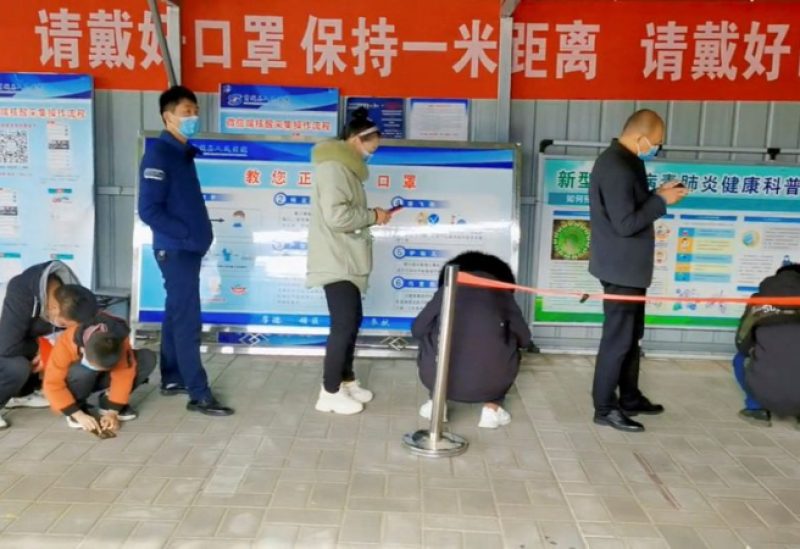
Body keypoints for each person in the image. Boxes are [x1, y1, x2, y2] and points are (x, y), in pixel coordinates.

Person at [588, 109, 688, 432]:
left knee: (632, 338)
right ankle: (604, 407)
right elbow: (626, 223)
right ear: (639, 136)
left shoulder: (631, 160)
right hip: (619, 269)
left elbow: (634, 205)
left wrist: (658, 193)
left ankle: (629, 397)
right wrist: (661, 202)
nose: (656, 148)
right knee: (617, 340)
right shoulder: (615, 166)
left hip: (630, 268)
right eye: (655, 142)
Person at [138, 85, 233, 416]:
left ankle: (173, 377)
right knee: (187, 319)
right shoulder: (159, 154)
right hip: (176, 251)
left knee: (176, 314)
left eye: (195, 111)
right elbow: (149, 210)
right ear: (168, 116)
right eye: (186, 112)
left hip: (186, 249)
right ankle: (199, 393)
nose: (193, 117)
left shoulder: (181, 152)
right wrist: (187, 234)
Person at [307, 107, 392, 415]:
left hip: (346, 259)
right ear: (357, 140)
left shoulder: (347, 169)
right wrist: (372, 216)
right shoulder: (334, 168)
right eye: (373, 144)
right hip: (336, 259)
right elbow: (337, 216)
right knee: (343, 325)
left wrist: (372, 216)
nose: (374, 151)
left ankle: (346, 381)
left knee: (351, 321)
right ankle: (328, 392)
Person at [412, 252, 531, 428]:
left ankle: (437, 404)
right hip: (492, 385)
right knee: (510, 346)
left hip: (437, 379)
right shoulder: (503, 295)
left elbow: (418, 329)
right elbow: (525, 339)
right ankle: (492, 408)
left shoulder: (446, 291)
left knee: (430, 336)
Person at [0, 261, 97, 429]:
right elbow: (6, 346)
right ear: (52, 308)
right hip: (4, 343)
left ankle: (23, 394)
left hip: (19, 341)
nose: (64, 325)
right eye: (64, 322)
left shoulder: (67, 296)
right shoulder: (20, 291)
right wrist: (44, 348)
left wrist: (50, 349)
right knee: (17, 366)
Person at [43, 314, 156, 432]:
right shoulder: (67, 340)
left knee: (147, 358)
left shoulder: (118, 339)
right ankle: (78, 405)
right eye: (95, 365)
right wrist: (77, 414)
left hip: (100, 376)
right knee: (82, 371)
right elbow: (52, 384)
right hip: (77, 379)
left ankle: (107, 401)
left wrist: (113, 411)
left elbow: (124, 374)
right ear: (83, 350)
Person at [733, 263, 800, 426]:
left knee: (739, 359)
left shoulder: (759, 301)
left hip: (766, 386)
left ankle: (756, 409)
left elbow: (742, 343)